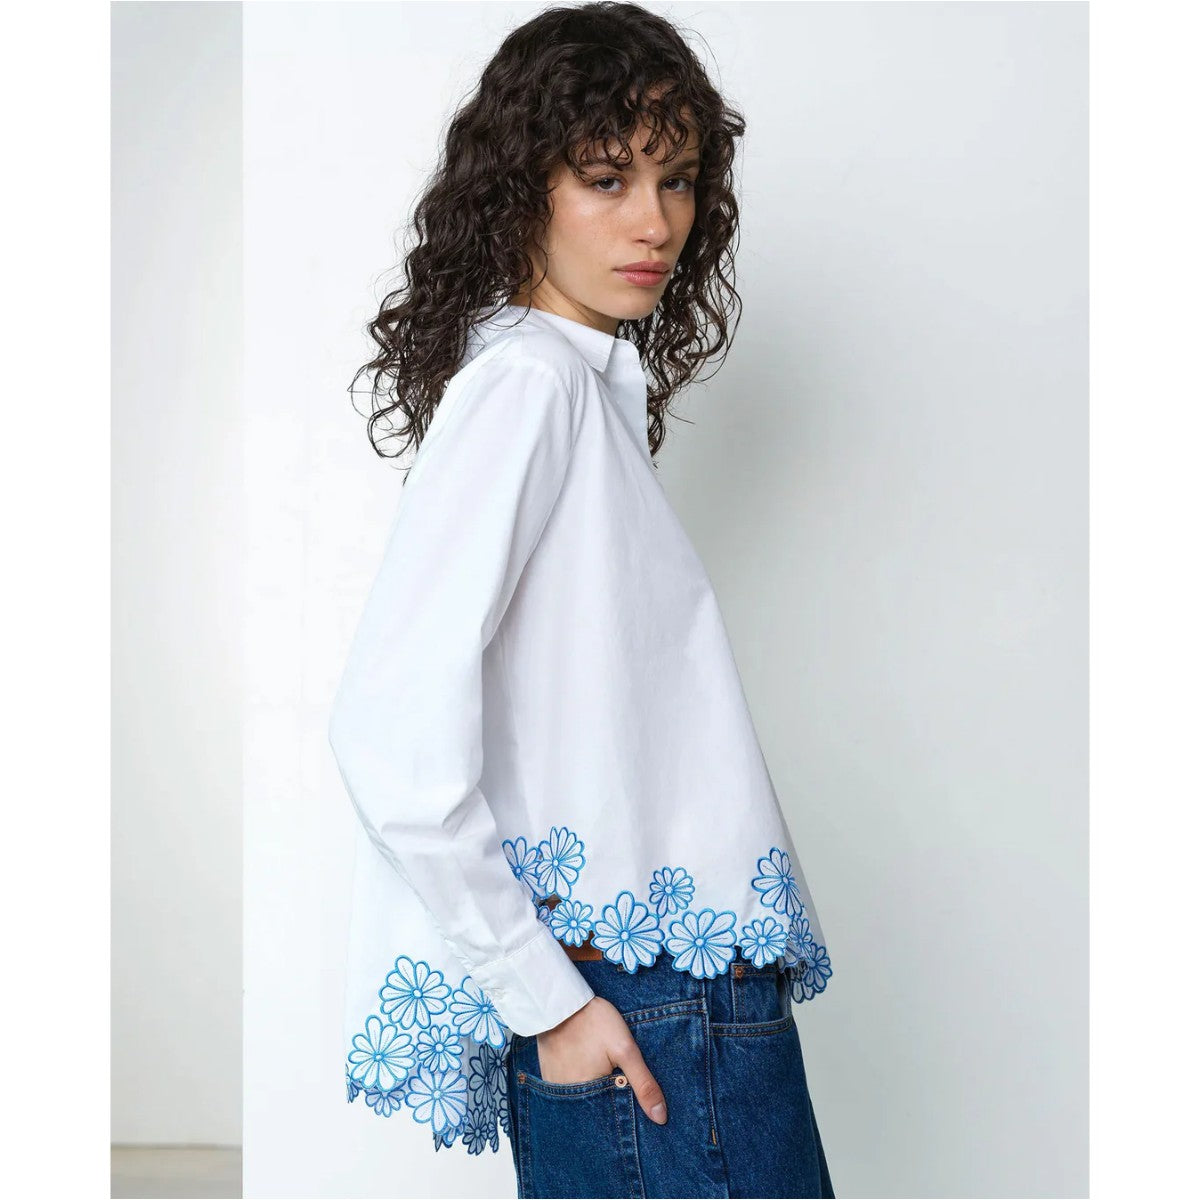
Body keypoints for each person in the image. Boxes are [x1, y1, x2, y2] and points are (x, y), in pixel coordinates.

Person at [328, 3, 835, 1196]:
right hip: (646, 1001)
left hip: (664, 990)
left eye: (678, 180)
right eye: (607, 179)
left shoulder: (574, 388)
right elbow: (388, 734)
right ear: (522, 192)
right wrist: (548, 998)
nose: (655, 222)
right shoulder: (532, 388)